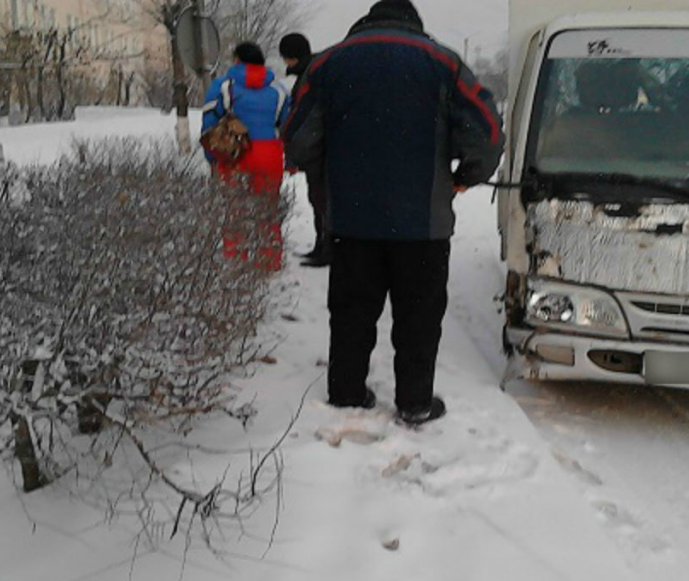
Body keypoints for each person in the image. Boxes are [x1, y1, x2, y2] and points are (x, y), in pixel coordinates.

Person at [283, 0, 503, 425]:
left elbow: (297, 138)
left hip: (351, 220)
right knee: (418, 317)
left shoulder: (328, 64)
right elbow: (488, 133)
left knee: (351, 311)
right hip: (423, 225)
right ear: (414, 25)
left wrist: (330, 167)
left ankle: (346, 393)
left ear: (365, 22)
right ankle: (415, 402)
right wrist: (465, 176)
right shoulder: (443, 62)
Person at [202, 42, 291, 270]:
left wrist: (212, 157)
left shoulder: (224, 86)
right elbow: (289, 125)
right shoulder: (279, 91)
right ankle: (269, 260)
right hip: (269, 153)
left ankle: (236, 260)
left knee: (235, 209)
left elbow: (209, 124)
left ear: (238, 61)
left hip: (236, 153)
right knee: (268, 209)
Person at [278, 32, 330, 268]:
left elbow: (303, 117)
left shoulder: (311, 76)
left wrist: (292, 147)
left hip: (319, 151)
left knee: (322, 200)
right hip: (322, 149)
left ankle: (326, 249)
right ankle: (322, 246)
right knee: (319, 200)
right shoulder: (317, 70)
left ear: (292, 57)